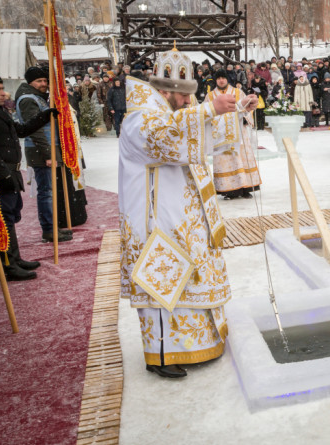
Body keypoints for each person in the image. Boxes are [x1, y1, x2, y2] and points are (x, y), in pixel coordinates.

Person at [119, 48, 246, 378]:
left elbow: (205, 141)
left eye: (192, 96)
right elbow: (166, 140)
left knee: (189, 280)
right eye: (183, 95)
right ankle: (159, 356)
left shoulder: (170, 112)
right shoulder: (139, 118)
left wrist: (230, 113)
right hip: (154, 220)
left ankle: (194, 345)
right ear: (164, 91)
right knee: (162, 283)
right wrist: (206, 110)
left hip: (182, 215)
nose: (189, 101)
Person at [0, 73, 56, 280]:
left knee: (10, 216)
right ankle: (7, 265)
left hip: (10, 170)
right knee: (2, 219)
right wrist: (2, 174)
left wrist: (44, 116)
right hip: (0, 173)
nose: (3, 93)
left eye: (2, 88)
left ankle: (14, 258)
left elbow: (20, 130)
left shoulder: (0, 112)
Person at [16, 67, 77, 242]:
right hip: (41, 150)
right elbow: (34, 130)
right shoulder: (28, 99)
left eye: (45, 80)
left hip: (47, 148)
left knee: (50, 191)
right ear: (30, 83)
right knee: (46, 192)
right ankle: (49, 229)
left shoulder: (37, 97)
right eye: (39, 81)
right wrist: (48, 154)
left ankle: (54, 227)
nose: (43, 84)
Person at [205, 69, 261, 199]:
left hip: (238, 131)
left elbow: (248, 107)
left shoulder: (237, 92)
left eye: (223, 78)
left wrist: (246, 118)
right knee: (226, 160)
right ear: (216, 80)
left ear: (227, 79)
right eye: (219, 78)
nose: (221, 80)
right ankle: (228, 190)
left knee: (242, 158)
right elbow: (207, 113)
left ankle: (246, 188)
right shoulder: (210, 96)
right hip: (220, 134)